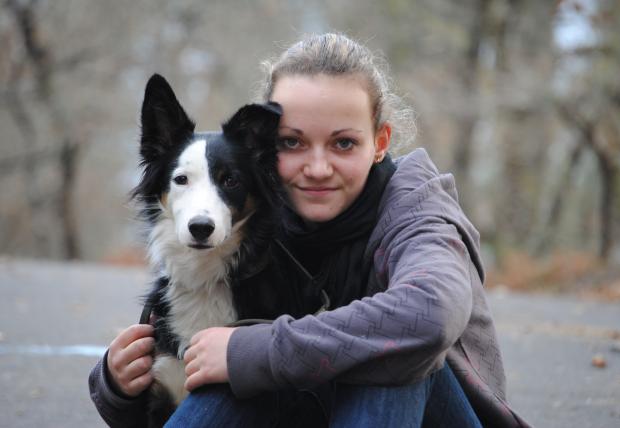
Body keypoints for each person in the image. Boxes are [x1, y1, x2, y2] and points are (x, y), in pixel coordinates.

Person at [89, 33, 531, 427]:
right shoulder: (254, 220)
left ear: (379, 143)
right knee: (239, 376)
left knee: (389, 355)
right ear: (264, 149)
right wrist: (115, 384)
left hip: (427, 406)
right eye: (292, 142)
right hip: (312, 408)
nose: (318, 168)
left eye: (343, 142)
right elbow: (186, 365)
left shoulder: (417, 208)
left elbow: (430, 314)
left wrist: (252, 351)